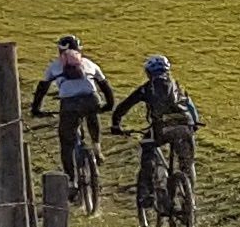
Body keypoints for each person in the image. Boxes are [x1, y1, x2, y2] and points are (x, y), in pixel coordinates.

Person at [111, 53, 199, 200]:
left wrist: (116, 124)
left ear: (149, 73)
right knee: (186, 162)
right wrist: (194, 124)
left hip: (162, 128)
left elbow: (124, 106)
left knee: (148, 148)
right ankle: (190, 198)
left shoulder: (147, 88)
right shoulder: (177, 85)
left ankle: (148, 193)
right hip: (185, 126)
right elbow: (190, 106)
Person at [30, 34, 113, 184]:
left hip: (69, 103)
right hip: (91, 98)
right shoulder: (88, 63)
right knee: (92, 115)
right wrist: (109, 105)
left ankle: (71, 180)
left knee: (66, 142)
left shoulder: (55, 66)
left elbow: (42, 88)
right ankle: (97, 148)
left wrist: (36, 109)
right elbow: (105, 85)